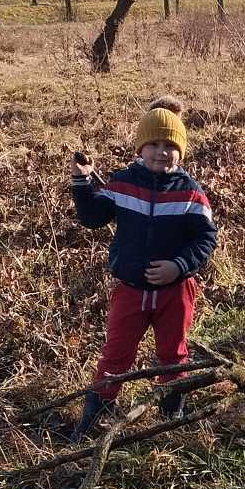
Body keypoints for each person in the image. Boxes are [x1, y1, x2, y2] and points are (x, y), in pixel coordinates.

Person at [69, 97, 217, 439]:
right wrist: (81, 181)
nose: (162, 152)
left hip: (175, 292)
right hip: (130, 291)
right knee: (116, 356)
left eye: (170, 145)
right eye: (154, 144)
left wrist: (178, 266)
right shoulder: (122, 184)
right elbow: (92, 217)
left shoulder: (191, 194)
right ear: (141, 147)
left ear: (181, 150)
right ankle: (91, 423)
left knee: (173, 355)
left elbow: (206, 239)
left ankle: (170, 419)